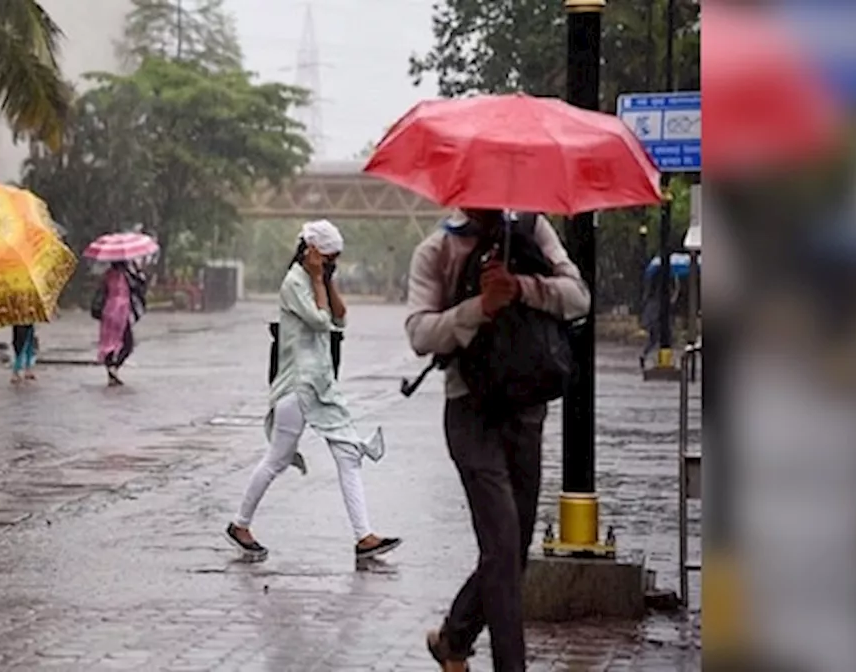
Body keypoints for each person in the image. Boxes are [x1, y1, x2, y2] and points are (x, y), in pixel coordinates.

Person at [406, 209, 590, 672]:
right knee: (504, 547)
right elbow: (419, 332)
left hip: (526, 407)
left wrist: (523, 288)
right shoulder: (438, 250)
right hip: (470, 411)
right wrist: (480, 306)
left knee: (513, 550)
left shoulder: (534, 231)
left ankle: (454, 637)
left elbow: (579, 298)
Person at [226, 220, 400, 562]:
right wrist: (319, 279)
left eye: (336, 259)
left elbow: (340, 318)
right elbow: (320, 322)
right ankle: (240, 524)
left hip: (320, 385)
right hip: (299, 386)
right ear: (312, 252)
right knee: (276, 460)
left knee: (347, 454)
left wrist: (327, 279)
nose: (333, 263)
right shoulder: (294, 282)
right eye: (329, 257)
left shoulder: (317, 281)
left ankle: (363, 536)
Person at [97, 260, 147, 387]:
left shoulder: (107, 275)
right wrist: (138, 270)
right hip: (121, 311)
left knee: (109, 343)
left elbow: (102, 292)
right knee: (128, 343)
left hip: (108, 311)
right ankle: (114, 368)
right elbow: (140, 286)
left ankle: (111, 375)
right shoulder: (126, 275)